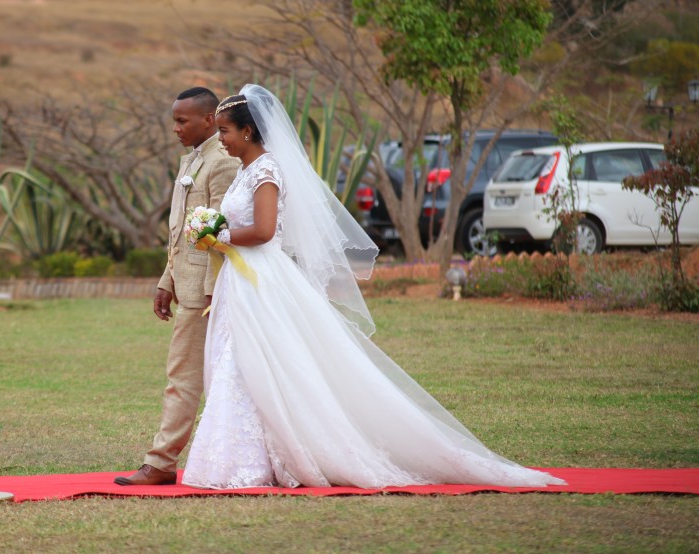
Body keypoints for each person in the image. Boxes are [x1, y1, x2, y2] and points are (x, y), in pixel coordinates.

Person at [181, 85, 566, 490]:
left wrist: (218, 235)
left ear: (247, 131)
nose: (220, 139)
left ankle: (274, 455)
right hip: (241, 279)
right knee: (238, 363)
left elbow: (262, 231)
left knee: (265, 362)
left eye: (224, 130)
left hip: (262, 279)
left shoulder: (265, 170)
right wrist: (216, 235)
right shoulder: (245, 170)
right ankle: (242, 455)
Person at [114, 86, 238, 486]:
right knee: (189, 374)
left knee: (183, 376)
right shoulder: (192, 160)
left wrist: (206, 291)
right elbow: (182, 234)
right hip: (185, 283)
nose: (175, 128)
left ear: (208, 119)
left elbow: (219, 236)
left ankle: (161, 462)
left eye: (182, 120)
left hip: (207, 292)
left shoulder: (222, 163)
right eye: (174, 120)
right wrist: (166, 280)